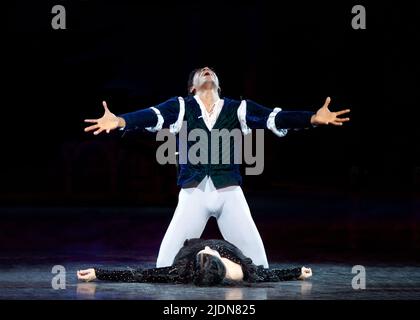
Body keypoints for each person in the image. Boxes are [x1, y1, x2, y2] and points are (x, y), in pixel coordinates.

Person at [84, 67, 350, 268]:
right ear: (192, 87)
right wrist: (120, 121)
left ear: (218, 85)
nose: (206, 69)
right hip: (193, 195)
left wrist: (312, 118)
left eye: (210, 70)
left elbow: (274, 117)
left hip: (229, 194)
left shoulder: (237, 109)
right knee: (164, 267)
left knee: (260, 267)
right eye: (200, 71)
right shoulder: (180, 107)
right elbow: (151, 115)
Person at [77, 238, 313, 286]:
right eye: (208, 253)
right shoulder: (244, 270)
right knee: (263, 267)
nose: (208, 247)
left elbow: (139, 274)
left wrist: (98, 272)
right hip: (222, 251)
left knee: (160, 267)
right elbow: (273, 274)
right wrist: (298, 272)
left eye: (206, 252)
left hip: (187, 248)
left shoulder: (182, 270)